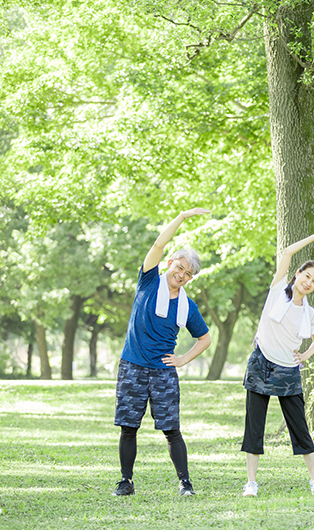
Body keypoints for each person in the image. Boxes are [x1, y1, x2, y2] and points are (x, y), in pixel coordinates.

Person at [113, 209, 212, 497]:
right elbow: (158, 245)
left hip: (163, 372)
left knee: (172, 429)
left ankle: (185, 482)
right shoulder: (148, 281)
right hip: (132, 366)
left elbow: (204, 339)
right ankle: (126, 482)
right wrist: (181, 217)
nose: (181, 275)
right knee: (129, 427)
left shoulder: (187, 306)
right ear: (170, 264)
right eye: (179, 268)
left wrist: (181, 359)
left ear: (190, 279)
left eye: (188, 274)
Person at [241, 231, 314, 497]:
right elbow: (287, 253)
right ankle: (251, 482)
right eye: (307, 276)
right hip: (261, 364)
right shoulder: (277, 291)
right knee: (254, 425)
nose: (309, 282)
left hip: (288, 370)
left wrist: (305, 355)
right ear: (297, 274)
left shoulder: (308, 313)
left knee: (300, 426)